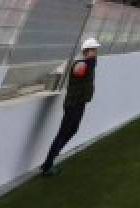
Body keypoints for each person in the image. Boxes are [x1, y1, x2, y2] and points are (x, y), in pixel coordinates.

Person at [40, 37, 99, 176]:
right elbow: (82, 71)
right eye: (93, 50)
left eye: (96, 50)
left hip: (79, 103)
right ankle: (48, 165)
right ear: (86, 51)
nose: (96, 52)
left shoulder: (87, 63)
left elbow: (91, 67)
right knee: (63, 133)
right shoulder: (81, 64)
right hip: (73, 104)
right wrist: (89, 60)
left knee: (72, 130)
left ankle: (50, 160)